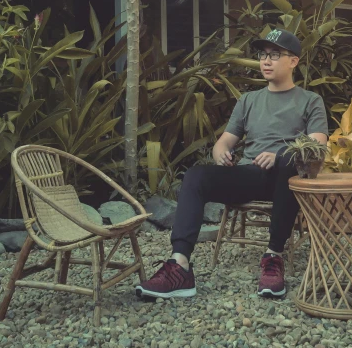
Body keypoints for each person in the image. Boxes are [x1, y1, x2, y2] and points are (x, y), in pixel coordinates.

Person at [135, 28, 328, 300]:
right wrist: (221, 152)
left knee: (287, 160)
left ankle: (273, 256)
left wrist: (280, 154)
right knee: (196, 176)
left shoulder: (310, 100)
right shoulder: (249, 100)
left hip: (287, 179)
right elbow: (224, 141)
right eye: (263, 55)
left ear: (293, 61)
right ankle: (180, 265)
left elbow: (316, 145)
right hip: (251, 175)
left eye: (275, 55)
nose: (266, 61)